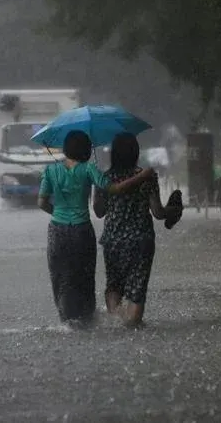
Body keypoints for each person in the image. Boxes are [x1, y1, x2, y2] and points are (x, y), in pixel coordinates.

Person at [38, 130, 154, 328]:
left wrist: (59, 215)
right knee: (84, 277)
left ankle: (67, 322)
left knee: (60, 276)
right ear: (85, 149)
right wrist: (142, 176)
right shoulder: (88, 169)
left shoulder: (50, 171)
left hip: (57, 231)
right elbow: (114, 189)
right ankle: (87, 320)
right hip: (82, 230)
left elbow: (42, 203)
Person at [93, 132, 176, 327]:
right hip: (141, 240)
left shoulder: (105, 178)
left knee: (114, 284)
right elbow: (158, 212)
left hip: (113, 240)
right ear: (136, 153)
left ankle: (117, 320)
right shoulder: (146, 177)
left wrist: (97, 189)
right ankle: (131, 321)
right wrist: (173, 210)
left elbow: (98, 212)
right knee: (136, 289)